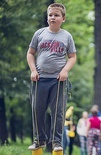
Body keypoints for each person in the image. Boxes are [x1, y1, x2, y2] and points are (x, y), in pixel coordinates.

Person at [27, 3, 77, 151]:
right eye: (50, 15)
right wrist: (32, 70)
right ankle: (39, 140)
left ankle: (56, 142)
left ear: (63, 18)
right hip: (39, 79)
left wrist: (65, 70)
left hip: (58, 81)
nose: (52, 18)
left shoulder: (66, 36)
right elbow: (30, 53)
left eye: (56, 15)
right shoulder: (39, 34)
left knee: (58, 112)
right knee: (37, 110)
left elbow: (72, 57)